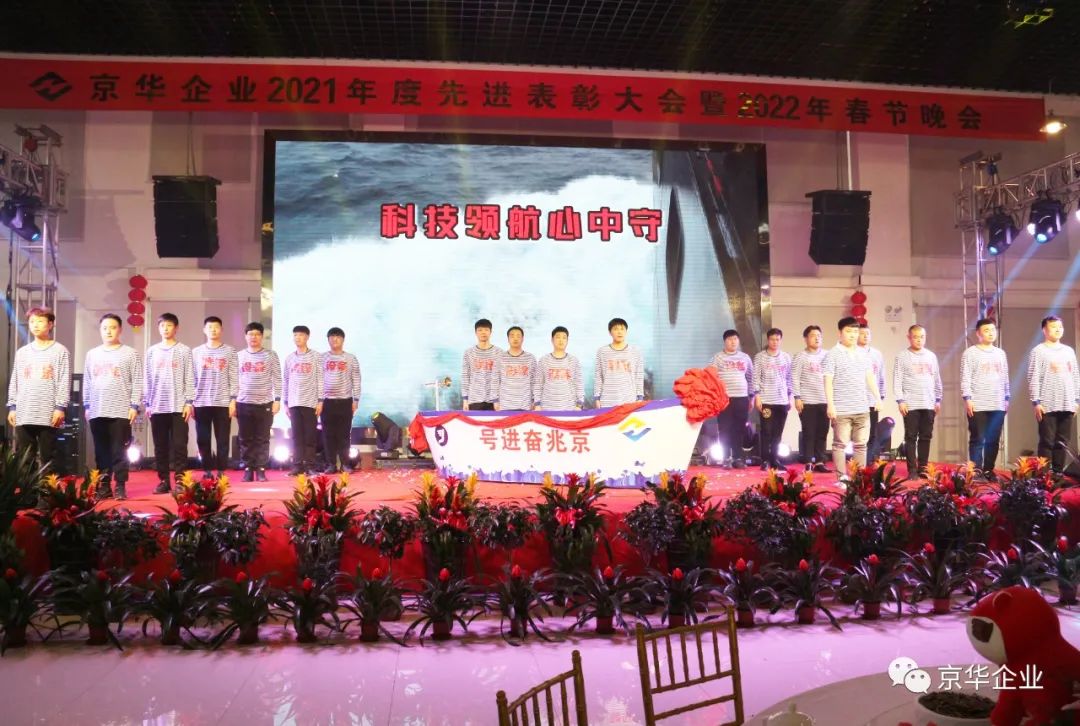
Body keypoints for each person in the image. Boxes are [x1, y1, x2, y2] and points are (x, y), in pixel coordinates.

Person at [84, 314, 141, 500]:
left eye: (113, 327)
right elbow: (87, 381)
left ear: (120, 330)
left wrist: (134, 405)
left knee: (119, 450)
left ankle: (120, 485)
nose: (108, 331)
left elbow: (137, 381)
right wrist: (87, 405)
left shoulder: (130, 353)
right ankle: (104, 485)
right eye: (105, 328)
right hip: (97, 409)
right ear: (100, 330)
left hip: (121, 409)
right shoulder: (92, 354)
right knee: (101, 450)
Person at [6, 307, 71, 474]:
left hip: (48, 411)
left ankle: (47, 490)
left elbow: (64, 380)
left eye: (40, 321)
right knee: (25, 456)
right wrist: (13, 406)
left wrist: (60, 407)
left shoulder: (60, 351)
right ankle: (28, 489)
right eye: (32, 321)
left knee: (48, 456)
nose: (35, 325)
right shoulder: (22, 352)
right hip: (24, 411)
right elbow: (15, 379)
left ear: (50, 324)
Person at [144, 312, 195, 494]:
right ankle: (164, 480)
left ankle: (180, 480)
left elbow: (190, 376)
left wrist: (189, 402)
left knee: (180, 445)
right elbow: (147, 378)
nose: (165, 329)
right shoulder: (152, 351)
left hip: (178, 405)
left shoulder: (184, 350)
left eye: (169, 325)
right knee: (160, 446)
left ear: (176, 328)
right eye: (162, 326)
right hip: (157, 406)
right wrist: (147, 403)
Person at [823, 317, 879, 476]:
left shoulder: (863, 354)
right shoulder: (832, 354)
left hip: (862, 407)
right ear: (840, 333)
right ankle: (842, 478)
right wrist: (830, 405)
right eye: (849, 331)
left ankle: (859, 479)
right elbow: (827, 381)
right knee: (840, 444)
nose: (853, 335)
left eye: (855, 331)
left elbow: (870, 377)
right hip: (841, 409)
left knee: (861, 445)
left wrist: (877, 398)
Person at [1027, 315, 1080, 473]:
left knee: (1062, 441)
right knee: (1047, 441)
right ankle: (1044, 475)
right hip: (1047, 403)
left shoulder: (1068, 351)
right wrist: (1036, 402)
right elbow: (1033, 376)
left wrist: (1076, 400)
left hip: (1067, 402)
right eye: (1054, 327)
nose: (1058, 330)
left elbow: (1075, 376)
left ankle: (1057, 473)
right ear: (1044, 330)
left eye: (1060, 327)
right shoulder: (1038, 351)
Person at [960, 318, 1009, 476]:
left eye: (993, 330)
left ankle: (988, 470)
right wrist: (967, 398)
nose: (991, 333)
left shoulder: (1000, 353)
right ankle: (976, 471)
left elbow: (1005, 377)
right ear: (978, 333)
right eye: (986, 330)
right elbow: (965, 377)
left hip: (997, 403)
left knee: (993, 439)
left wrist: (1006, 398)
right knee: (978, 438)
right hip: (978, 403)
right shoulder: (970, 353)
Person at [894, 324, 943, 477]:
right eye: (915, 337)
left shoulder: (931, 356)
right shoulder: (902, 356)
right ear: (909, 338)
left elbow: (936, 378)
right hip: (910, 404)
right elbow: (897, 379)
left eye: (922, 337)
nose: (919, 340)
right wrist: (900, 400)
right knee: (911, 437)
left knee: (926, 437)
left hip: (928, 403)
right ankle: (912, 470)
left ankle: (923, 468)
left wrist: (938, 399)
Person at [192, 316, 238, 479]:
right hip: (201, 402)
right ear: (204, 330)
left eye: (216, 327)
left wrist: (233, 400)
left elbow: (234, 376)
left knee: (222, 439)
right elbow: (192, 378)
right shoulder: (196, 352)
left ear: (221, 330)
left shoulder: (230, 351)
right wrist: (190, 402)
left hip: (223, 402)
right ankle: (207, 470)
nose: (213, 330)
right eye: (210, 327)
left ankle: (221, 470)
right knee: (203, 439)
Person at [236, 322, 281, 482]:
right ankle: (248, 468)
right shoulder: (239, 356)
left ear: (262, 336)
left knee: (262, 438)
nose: (253, 337)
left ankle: (261, 469)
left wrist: (277, 400)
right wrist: (232, 401)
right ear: (245, 336)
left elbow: (277, 378)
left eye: (257, 334)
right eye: (250, 334)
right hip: (243, 402)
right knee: (245, 438)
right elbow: (234, 380)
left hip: (265, 403)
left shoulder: (271, 355)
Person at [709, 329, 753, 468]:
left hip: (742, 398)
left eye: (735, 339)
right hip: (724, 399)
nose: (733, 342)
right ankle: (726, 458)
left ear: (738, 341)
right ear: (724, 341)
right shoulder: (718, 358)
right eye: (729, 339)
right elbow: (711, 377)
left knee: (739, 429)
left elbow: (750, 378)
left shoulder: (745, 357)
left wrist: (751, 397)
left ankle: (737, 458)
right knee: (725, 429)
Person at [283, 325, 323, 476]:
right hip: (294, 402)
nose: (297, 338)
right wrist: (285, 402)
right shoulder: (289, 358)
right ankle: (297, 465)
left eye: (300, 335)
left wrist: (320, 401)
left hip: (310, 402)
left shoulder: (316, 356)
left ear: (307, 337)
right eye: (295, 335)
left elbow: (320, 379)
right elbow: (286, 380)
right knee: (297, 436)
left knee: (310, 436)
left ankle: (310, 466)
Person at [321, 326, 361, 474]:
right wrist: (318, 400)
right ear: (328, 340)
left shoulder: (351, 358)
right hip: (326, 402)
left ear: (343, 340)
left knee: (344, 435)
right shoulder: (322, 358)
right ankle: (331, 464)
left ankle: (345, 464)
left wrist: (356, 400)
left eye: (338, 337)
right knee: (328, 435)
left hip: (345, 401)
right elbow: (317, 379)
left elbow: (356, 379)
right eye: (332, 337)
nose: (335, 339)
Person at [752, 328, 793, 469]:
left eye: (777, 339)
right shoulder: (760, 357)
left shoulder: (786, 357)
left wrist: (790, 397)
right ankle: (765, 460)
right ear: (768, 340)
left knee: (777, 433)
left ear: (780, 340)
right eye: (772, 339)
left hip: (782, 400)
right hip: (766, 400)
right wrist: (757, 396)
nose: (775, 342)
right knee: (766, 431)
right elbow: (755, 378)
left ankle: (775, 460)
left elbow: (789, 379)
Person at [792, 324, 829, 471]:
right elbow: (795, 378)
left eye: (819, 336)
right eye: (813, 336)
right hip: (807, 400)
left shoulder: (827, 355)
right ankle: (808, 461)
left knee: (823, 432)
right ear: (806, 339)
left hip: (825, 400)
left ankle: (820, 462)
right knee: (809, 432)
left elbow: (832, 377)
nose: (817, 338)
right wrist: (797, 397)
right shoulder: (800, 356)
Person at [594, 317, 645, 408]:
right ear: (610, 332)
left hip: (629, 400)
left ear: (626, 331)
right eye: (616, 329)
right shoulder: (602, 351)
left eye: (622, 329)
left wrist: (640, 397)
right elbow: (598, 376)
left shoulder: (635, 351)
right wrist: (597, 398)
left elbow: (639, 375)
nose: (619, 332)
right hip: (607, 400)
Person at [534, 326, 584, 410]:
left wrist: (579, 404)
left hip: (570, 408)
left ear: (567, 341)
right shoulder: (543, 360)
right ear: (552, 340)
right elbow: (538, 384)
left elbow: (579, 383)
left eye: (564, 338)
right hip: (547, 408)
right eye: (558, 337)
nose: (561, 340)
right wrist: (537, 404)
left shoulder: (573, 360)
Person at [858, 323, 888, 463]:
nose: (865, 336)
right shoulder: (852, 353)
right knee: (858, 434)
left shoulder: (877, 354)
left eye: (868, 334)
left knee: (872, 433)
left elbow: (881, 376)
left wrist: (880, 396)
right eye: (862, 333)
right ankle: (856, 462)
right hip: (857, 400)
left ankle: (868, 461)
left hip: (872, 400)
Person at [461, 318, 501, 410]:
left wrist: (498, 400)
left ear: (490, 332)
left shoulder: (499, 352)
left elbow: (502, 378)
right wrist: (465, 400)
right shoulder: (469, 353)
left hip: (495, 401)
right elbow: (465, 376)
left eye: (486, 330)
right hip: (475, 400)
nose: (483, 332)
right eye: (480, 330)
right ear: (476, 332)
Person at [494, 326, 537, 411]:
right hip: (505, 405)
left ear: (523, 339)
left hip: (525, 405)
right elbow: (495, 380)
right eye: (512, 336)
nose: (515, 338)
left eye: (518, 336)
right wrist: (495, 401)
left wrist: (534, 400)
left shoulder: (530, 358)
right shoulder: (500, 358)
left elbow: (534, 381)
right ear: (508, 339)